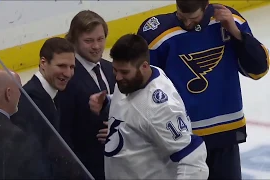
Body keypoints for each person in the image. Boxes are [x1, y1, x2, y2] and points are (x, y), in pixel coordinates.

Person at [137, 0, 269, 179]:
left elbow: (258, 69)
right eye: (181, 17)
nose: (187, 24)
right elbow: (144, 88)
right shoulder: (158, 34)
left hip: (225, 131)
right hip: (180, 137)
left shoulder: (229, 22)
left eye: (193, 18)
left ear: (207, 8)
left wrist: (236, 33)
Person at [89, 34, 209, 179]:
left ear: (144, 66)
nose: (118, 77)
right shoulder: (136, 80)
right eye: (115, 70)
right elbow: (132, 106)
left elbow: (193, 159)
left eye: (124, 72)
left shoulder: (159, 110)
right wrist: (108, 102)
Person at [11, 37, 82, 179]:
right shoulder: (31, 102)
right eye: (61, 66)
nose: (68, 73)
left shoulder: (55, 93)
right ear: (43, 63)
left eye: (71, 67)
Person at [57, 10, 116, 180]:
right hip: (87, 168)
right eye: (88, 41)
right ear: (74, 41)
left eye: (100, 39)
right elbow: (64, 130)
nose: (96, 46)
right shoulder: (66, 77)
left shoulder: (110, 69)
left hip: (117, 163)